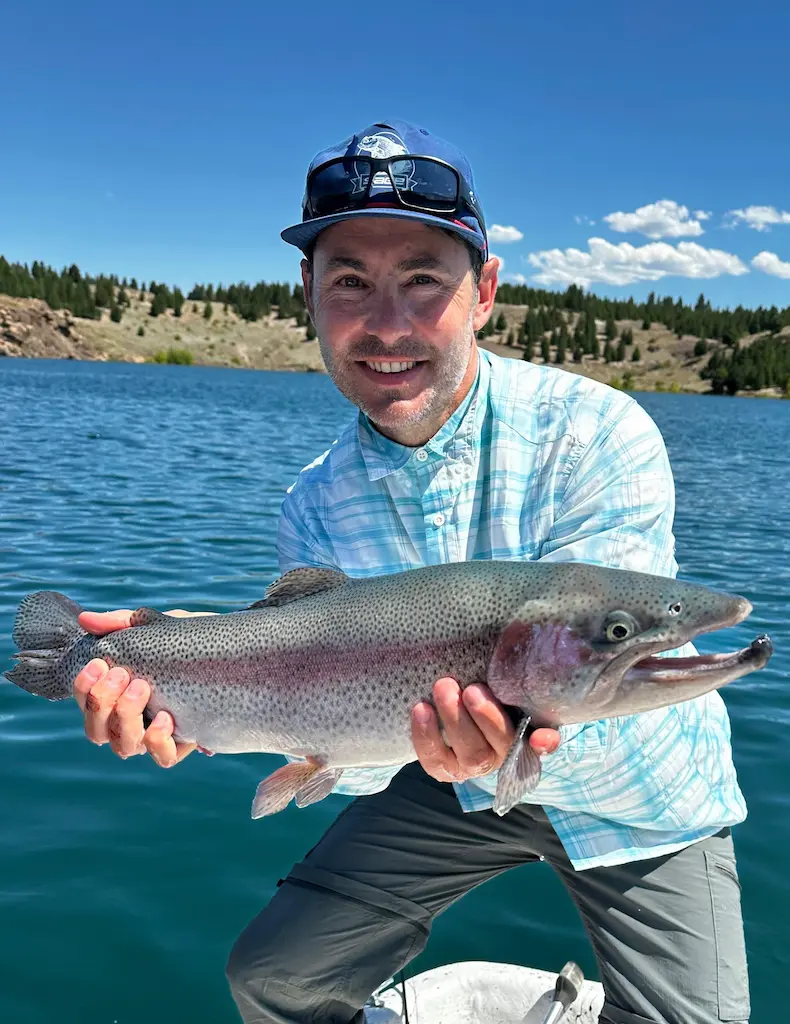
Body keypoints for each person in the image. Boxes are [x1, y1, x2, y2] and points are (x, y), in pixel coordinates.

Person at [72, 119, 751, 1024]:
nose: (388, 325)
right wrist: (193, 680)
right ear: (308, 293)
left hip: (644, 790)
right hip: (446, 784)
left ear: (485, 293)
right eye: (350, 281)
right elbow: (345, 751)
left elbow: (594, 654)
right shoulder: (314, 503)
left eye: (425, 280)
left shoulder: (599, 429)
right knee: (272, 979)